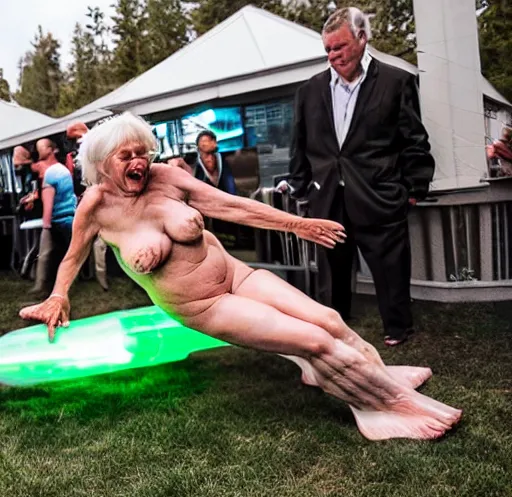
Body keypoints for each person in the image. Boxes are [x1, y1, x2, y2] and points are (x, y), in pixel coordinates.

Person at [19, 113, 461, 441]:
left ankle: (380, 374)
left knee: (328, 319)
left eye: (142, 152)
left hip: (238, 275)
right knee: (313, 341)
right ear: (102, 163)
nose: (139, 162)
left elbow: (233, 206)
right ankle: (384, 409)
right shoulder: (95, 206)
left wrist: (298, 225)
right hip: (202, 305)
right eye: (126, 156)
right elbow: (72, 257)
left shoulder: (166, 177)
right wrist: (58, 295)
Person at [277, 7, 435, 347]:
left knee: (390, 267)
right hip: (328, 198)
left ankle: (398, 328)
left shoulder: (396, 82)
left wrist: (413, 189)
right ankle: (336, 328)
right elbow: (300, 145)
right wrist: (301, 185)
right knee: (331, 271)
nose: (333, 56)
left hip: (379, 194)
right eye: (328, 50)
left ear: (362, 39)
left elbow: (414, 141)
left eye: (340, 47)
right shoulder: (309, 92)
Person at [66, 121, 109, 290]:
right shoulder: (93, 145)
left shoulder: (91, 146)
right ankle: (98, 276)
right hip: (90, 195)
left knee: (95, 239)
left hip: (94, 195)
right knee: (96, 239)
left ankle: (98, 276)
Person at [32, 138, 77, 294]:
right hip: (70, 217)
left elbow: (48, 202)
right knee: (70, 254)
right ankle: (70, 284)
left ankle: (40, 285)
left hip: (56, 220)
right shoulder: (64, 170)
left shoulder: (50, 173)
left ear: (52, 149)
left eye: (41, 147)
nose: (39, 151)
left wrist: (46, 225)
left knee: (45, 254)